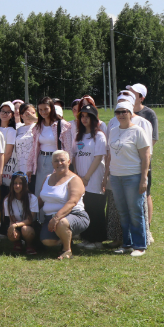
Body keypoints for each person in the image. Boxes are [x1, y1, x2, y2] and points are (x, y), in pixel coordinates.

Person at [106, 99, 151, 256]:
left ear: (131, 113)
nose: (121, 115)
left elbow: (146, 156)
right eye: (118, 112)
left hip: (133, 176)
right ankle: (127, 243)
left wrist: (144, 178)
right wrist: (107, 174)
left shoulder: (138, 131)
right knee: (122, 212)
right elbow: (110, 155)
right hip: (116, 177)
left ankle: (140, 245)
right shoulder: (113, 131)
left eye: (124, 112)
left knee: (135, 211)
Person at [38, 150, 90, 260]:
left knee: (61, 223)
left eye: (62, 160)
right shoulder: (48, 178)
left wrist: (56, 218)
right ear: (52, 164)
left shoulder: (75, 179)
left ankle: (67, 250)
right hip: (50, 217)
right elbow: (41, 199)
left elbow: (72, 202)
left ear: (69, 162)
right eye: (56, 161)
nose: (59, 163)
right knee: (47, 241)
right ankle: (66, 237)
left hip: (75, 215)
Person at [71, 104, 107, 250]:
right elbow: (74, 156)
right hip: (80, 178)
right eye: (82, 116)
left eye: (87, 116)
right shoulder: (78, 135)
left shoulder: (99, 135)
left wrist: (86, 177)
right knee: (85, 208)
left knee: (96, 207)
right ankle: (87, 238)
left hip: (93, 178)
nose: (84, 119)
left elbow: (98, 158)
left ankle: (97, 240)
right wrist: (78, 176)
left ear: (93, 118)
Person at [127, 83, 158, 235]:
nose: (129, 94)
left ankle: (147, 228)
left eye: (133, 93)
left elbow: (153, 139)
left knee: (145, 193)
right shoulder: (123, 111)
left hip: (143, 160)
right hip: (126, 161)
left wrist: (143, 157)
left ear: (141, 97)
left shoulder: (149, 114)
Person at [26, 97, 72, 194]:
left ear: (51, 108)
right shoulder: (38, 126)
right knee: (40, 190)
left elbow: (68, 149)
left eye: (46, 109)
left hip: (56, 160)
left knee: (54, 190)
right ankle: (40, 209)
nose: (43, 112)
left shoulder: (62, 125)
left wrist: (67, 165)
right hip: (41, 159)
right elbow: (34, 148)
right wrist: (30, 167)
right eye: (40, 110)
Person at [5, 172, 39, 255]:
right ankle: (17, 244)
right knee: (10, 230)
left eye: (20, 183)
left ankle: (29, 245)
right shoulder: (7, 200)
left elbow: (30, 220)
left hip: (30, 226)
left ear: (25, 185)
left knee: (25, 229)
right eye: (15, 183)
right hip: (16, 224)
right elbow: (11, 219)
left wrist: (15, 225)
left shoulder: (32, 198)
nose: (17, 186)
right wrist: (12, 227)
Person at [0, 101, 18, 199]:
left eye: (8, 112)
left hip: (1, 168)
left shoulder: (11, 131)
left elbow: (8, 153)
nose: (4, 114)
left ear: (12, 115)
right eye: (3, 111)